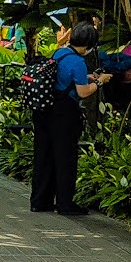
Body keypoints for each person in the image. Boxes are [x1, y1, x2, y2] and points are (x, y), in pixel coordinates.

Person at [30, 22, 108, 216]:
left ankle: (40, 200)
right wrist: (99, 81)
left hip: (44, 109)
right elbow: (82, 92)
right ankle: (65, 203)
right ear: (89, 45)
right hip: (63, 114)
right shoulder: (78, 62)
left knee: (44, 155)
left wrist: (87, 77)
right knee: (65, 158)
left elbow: (63, 77)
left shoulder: (60, 53)